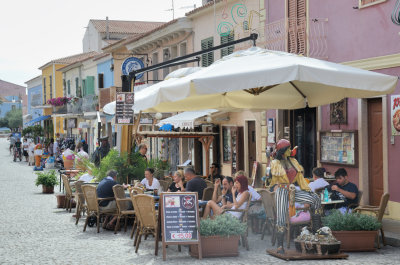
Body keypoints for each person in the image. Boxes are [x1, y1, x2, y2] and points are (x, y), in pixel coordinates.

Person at [267, 139, 322, 254]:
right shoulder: (275, 163)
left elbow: (301, 179)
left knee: (315, 198)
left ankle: (317, 232)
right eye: (287, 148)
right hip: (281, 190)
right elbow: (272, 180)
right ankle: (280, 246)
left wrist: (308, 190)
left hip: (292, 190)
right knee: (281, 217)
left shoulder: (293, 161)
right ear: (282, 151)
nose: (290, 150)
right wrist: (275, 187)